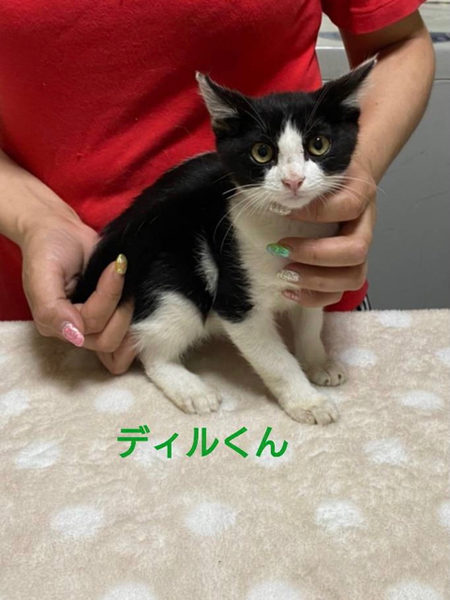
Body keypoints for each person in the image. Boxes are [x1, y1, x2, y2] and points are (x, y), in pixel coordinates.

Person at [0, 1, 435, 375]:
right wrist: (34, 219)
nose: (294, 177)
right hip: (64, 300)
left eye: (316, 148)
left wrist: (354, 182)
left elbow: (398, 42)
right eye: (267, 156)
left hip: (325, 289)